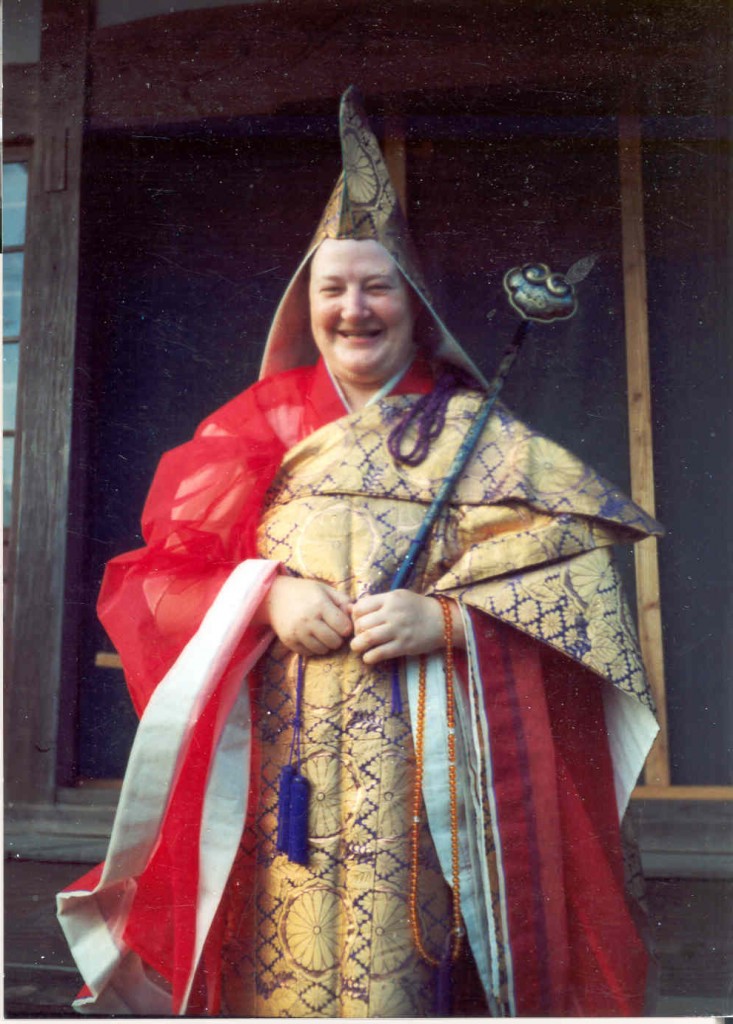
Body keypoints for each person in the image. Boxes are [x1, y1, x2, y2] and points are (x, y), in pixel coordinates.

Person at [57, 87, 661, 1017]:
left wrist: (452, 620)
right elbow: (158, 579)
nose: (354, 309)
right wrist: (263, 599)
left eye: (377, 284)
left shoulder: (479, 434)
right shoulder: (248, 426)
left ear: (413, 302)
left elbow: (578, 586)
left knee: (404, 979)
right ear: (307, 303)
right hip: (276, 765)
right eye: (332, 287)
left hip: (430, 768)